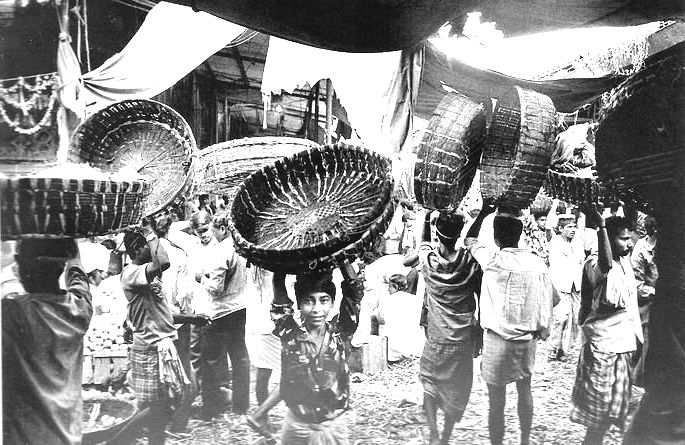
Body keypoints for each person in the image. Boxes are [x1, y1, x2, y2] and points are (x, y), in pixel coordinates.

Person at [464, 202, 554, 445]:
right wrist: (540, 327)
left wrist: (483, 212)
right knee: (525, 390)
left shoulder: (493, 260)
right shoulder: (537, 264)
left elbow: (469, 239)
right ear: (519, 235)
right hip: (526, 340)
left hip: (497, 341)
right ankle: (524, 440)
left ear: (495, 237)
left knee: (497, 401)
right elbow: (550, 299)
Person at [253, 265, 364, 444]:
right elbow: (280, 296)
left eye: (324, 300)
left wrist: (343, 260)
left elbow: (354, 293)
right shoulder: (290, 334)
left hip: (334, 425)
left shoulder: (340, 334)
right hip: (297, 425)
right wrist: (281, 263)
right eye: (308, 301)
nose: (316, 309)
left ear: (333, 303)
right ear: (298, 303)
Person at [3, 238, 93, 444]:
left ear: (20, 265)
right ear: (60, 267)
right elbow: (77, 274)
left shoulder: (12, 311)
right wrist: (69, 239)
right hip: (66, 434)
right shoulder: (79, 308)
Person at [110, 225, 188, 445]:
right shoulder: (132, 273)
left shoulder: (146, 274)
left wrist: (193, 319)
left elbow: (161, 313)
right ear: (137, 248)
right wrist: (150, 232)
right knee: (158, 406)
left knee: (160, 412)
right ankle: (116, 440)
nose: (152, 248)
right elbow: (164, 262)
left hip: (160, 345)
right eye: (147, 245)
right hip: (149, 347)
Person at [570, 206, 642, 445]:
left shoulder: (625, 263)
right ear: (609, 240)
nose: (629, 244)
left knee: (615, 413)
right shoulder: (596, 265)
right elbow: (605, 263)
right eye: (623, 239)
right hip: (602, 349)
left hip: (622, 347)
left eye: (630, 238)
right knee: (597, 422)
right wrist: (601, 226)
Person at [413, 210, 483, 445]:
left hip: (437, 335)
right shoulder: (470, 263)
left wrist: (425, 215)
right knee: (458, 387)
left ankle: (433, 433)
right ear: (458, 234)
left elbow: (422, 244)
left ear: (437, 233)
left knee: (430, 382)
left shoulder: (429, 262)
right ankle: (445, 436)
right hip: (463, 336)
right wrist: (483, 213)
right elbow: (481, 297)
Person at [196, 211, 250, 418]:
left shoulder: (221, 251)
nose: (211, 233)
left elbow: (216, 288)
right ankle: (241, 406)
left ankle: (210, 408)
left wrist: (202, 278)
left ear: (223, 229)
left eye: (213, 229)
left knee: (210, 360)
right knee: (240, 357)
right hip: (240, 307)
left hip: (220, 313)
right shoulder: (242, 248)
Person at [547, 213, 586, 360]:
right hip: (560, 286)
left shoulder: (577, 242)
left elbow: (580, 262)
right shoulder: (554, 241)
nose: (573, 230)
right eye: (569, 227)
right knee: (561, 317)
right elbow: (548, 227)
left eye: (574, 226)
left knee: (575, 319)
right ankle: (553, 348)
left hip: (576, 286)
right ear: (560, 228)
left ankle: (564, 350)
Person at [630, 215, 658, 385]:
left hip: (671, 304)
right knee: (646, 347)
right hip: (649, 306)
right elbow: (637, 284)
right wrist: (656, 292)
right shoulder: (642, 248)